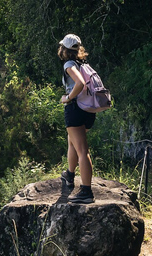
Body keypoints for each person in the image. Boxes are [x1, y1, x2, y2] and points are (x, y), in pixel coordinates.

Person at [58, 33, 95, 204]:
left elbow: (80, 84)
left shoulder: (69, 64)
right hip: (88, 110)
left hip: (75, 109)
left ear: (64, 49)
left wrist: (68, 98)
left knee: (82, 150)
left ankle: (86, 191)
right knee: (72, 141)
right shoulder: (83, 64)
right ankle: (70, 174)